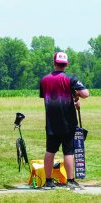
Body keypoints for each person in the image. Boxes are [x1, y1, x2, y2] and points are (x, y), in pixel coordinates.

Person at [40, 52, 89, 190]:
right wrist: (76, 93)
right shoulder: (70, 79)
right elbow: (85, 94)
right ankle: (70, 181)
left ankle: (48, 181)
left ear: (54, 63)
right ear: (66, 64)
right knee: (68, 152)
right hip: (68, 122)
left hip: (51, 123)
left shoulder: (44, 80)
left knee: (50, 151)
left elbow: (49, 97)